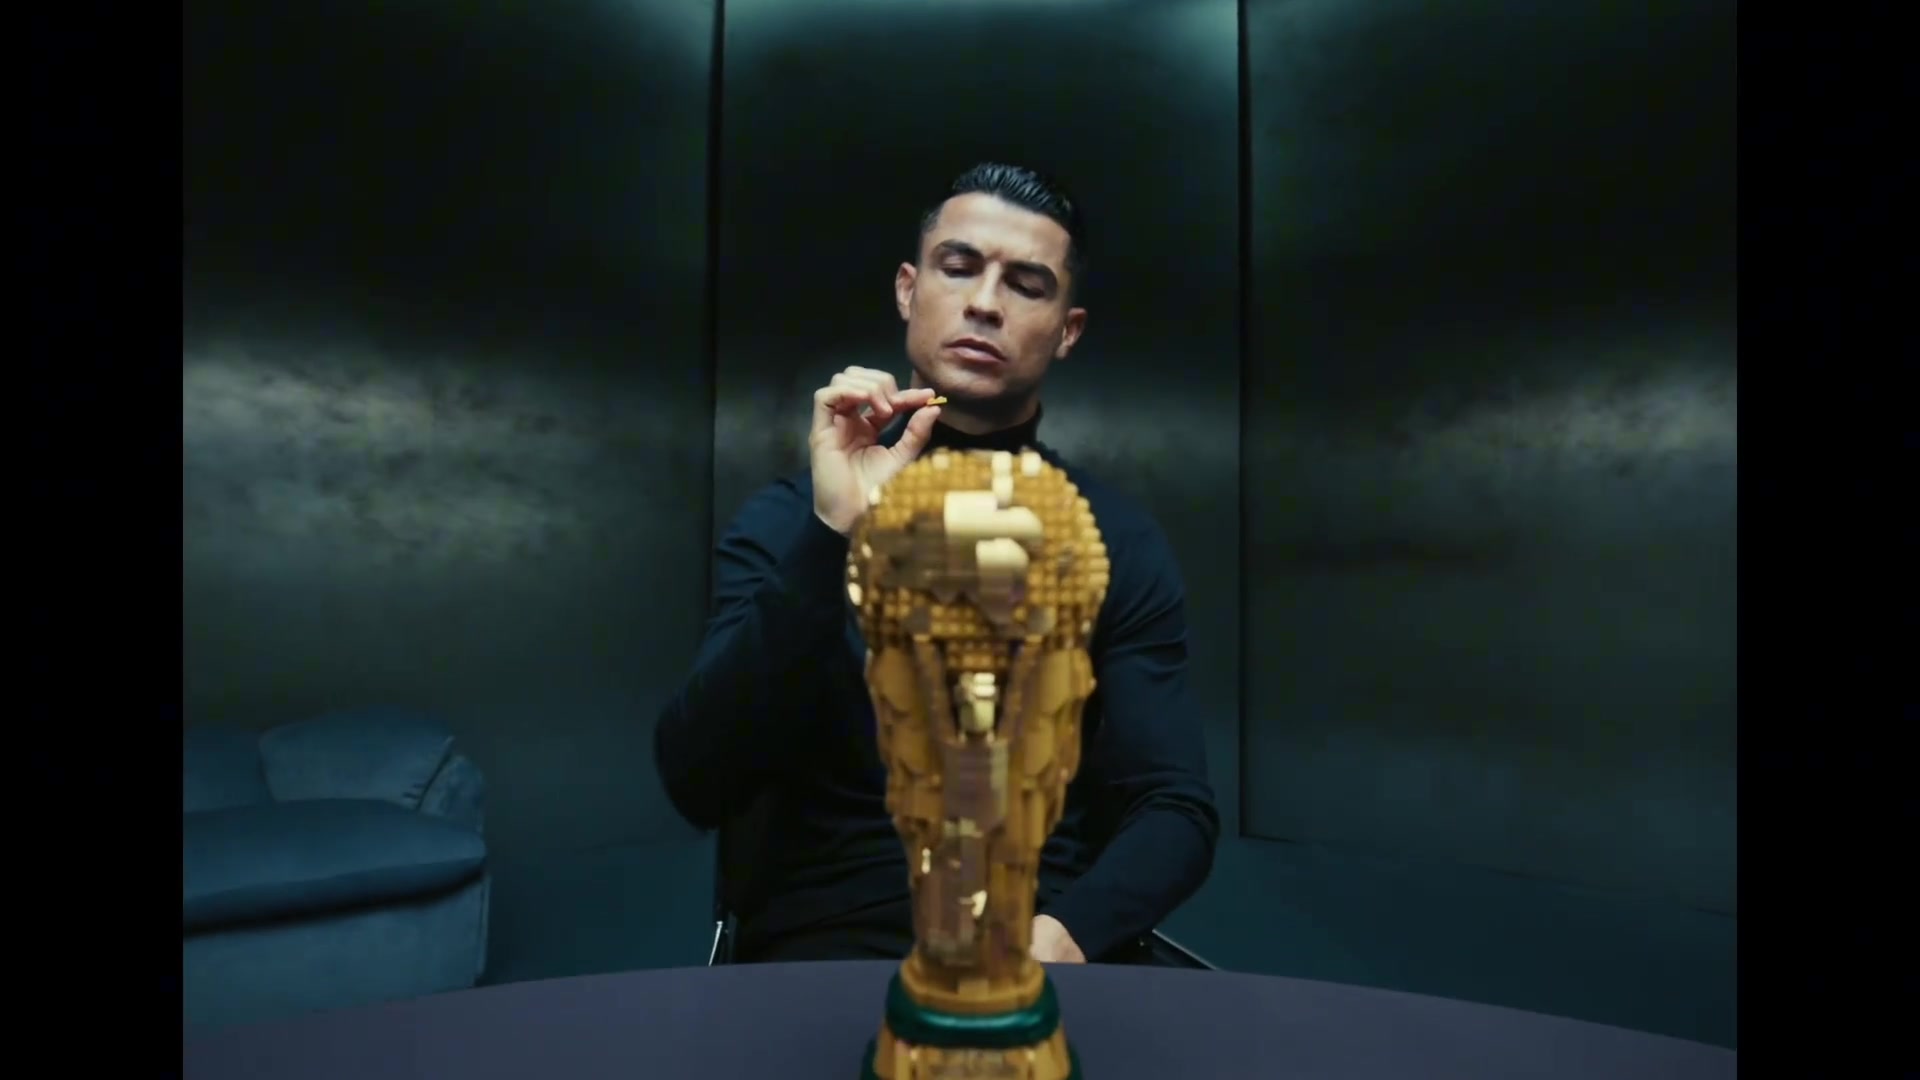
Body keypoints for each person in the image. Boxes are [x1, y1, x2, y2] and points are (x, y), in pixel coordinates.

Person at [653, 162, 1218, 965]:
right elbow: (697, 779)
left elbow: (1173, 806)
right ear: (908, 290)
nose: (985, 303)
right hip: (826, 961)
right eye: (959, 267)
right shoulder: (791, 523)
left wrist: (1065, 938)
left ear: (1067, 330)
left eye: (1026, 284)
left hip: (1041, 957)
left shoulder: (1115, 539)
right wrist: (834, 536)